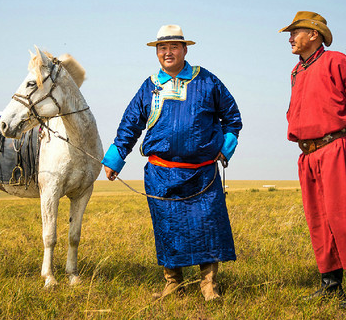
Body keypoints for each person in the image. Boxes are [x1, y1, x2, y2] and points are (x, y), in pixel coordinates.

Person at [102, 25, 242, 301]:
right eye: (162, 48)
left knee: (207, 225)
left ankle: (209, 284)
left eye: (173, 47)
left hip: (202, 173)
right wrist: (116, 158)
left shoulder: (207, 81)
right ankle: (173, 282)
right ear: (156, 53)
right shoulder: (150, 86)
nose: (168, 52)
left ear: (184, 50)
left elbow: (232, 118)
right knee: (168, 227)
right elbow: (131, 124)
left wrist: (225, 149)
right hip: (161, 173)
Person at [280, 11, 346, 308]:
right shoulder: (297, 71)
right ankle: (330, 283)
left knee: (345, 215)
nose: (290, 38)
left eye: (295, 32)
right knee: (319, 219)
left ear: (313, 34)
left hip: (335, 148)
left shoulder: (336, 61)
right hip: (308, 155)